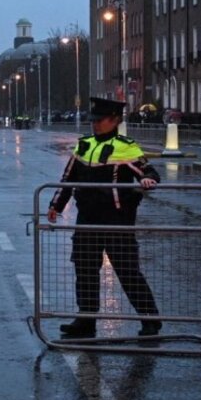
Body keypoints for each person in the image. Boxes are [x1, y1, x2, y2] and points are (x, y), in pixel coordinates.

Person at [47, 97, 161, 339]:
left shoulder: (126, 147)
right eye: (93, 120)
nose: (95, 125)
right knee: (85, 269)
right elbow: (68, 180)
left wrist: (147, 179)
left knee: (127, 271)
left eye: (100, 120)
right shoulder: (84, 145)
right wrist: (55, 205)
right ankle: (86, 320)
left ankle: (151, 319)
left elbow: (148, 169)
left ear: (115, 120)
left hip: (116, 218)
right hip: (87, 218)